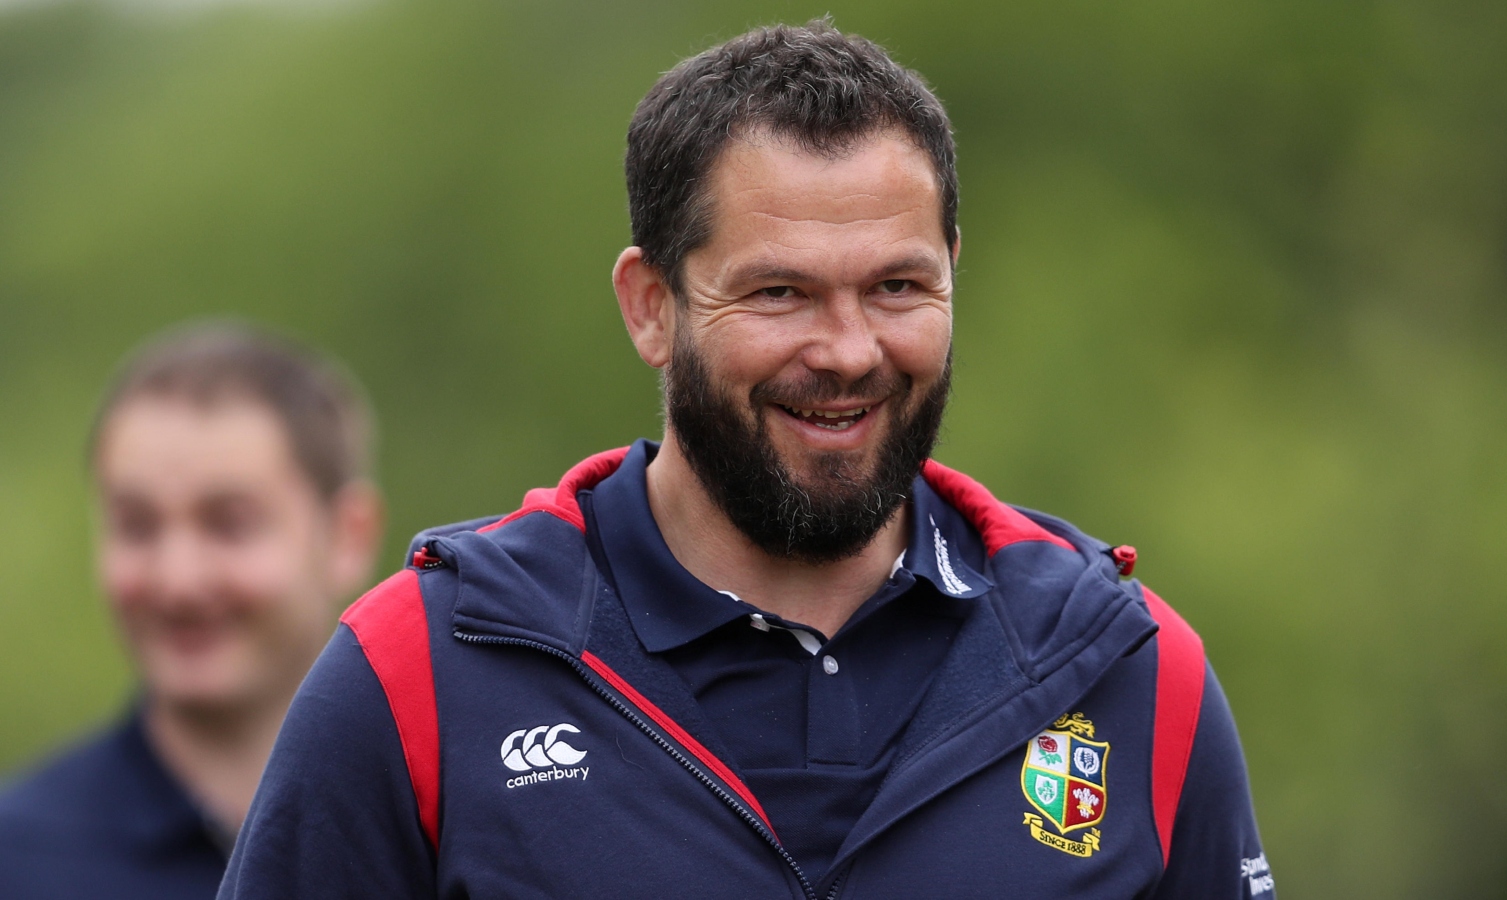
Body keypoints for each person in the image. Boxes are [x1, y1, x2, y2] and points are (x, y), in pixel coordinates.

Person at [221, 20, 1274, 899]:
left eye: (897, 288)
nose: (849, 351)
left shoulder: (1127, 670)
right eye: (779, 293)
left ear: (953, 273)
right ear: (650, 306)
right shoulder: (426, 673)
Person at [0, 324, 384, 899]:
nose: (177, 580)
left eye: (229, 524)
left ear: (347, 538)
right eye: (137, 525)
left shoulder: (446, 829)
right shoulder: (20, 859)